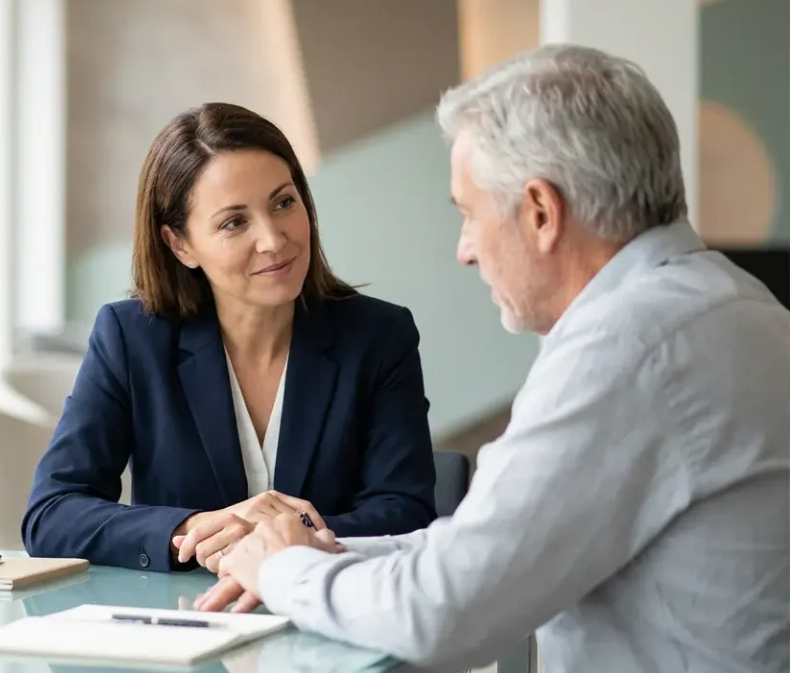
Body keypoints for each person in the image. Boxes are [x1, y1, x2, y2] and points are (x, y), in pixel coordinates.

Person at [195, 44, 790, 673]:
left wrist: (287, 569)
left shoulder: (630, 348)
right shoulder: (733, 306)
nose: (465, 250)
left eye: (469, 214)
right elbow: (484, 551)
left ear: (540, 213)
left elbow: (444, 613)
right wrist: (320, 552)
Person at [21, 103, 438, 574]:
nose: (273, 239)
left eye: (283, 202)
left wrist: (282, 540)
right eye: (234, 222)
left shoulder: (379, 336)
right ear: (181, 245)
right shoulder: (131, 338)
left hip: (330, 616)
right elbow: (51, 515)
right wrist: (195, 529)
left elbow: (407, 514)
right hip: (184, 625)